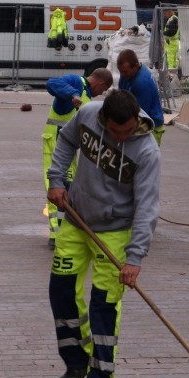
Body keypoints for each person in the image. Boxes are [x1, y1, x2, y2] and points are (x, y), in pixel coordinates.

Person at [46, 90, 161, 378]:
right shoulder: (87, 115)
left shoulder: (148, 152)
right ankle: (75, 362)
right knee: (61, 291)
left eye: (126, 131)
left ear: (136, 120)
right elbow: (67, 140)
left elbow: (147, 207)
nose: (121, 137)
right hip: (76, 218)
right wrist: (57, 179)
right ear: (103, 119)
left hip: (115, 233)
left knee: (103, 306)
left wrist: (134, 258)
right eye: (114, 131)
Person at [42, 68, 113, 248]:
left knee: (70, 188)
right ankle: (56, 235)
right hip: (56, 146)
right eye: (103, 90)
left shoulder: (87, 96)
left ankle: (65, 231)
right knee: (57, 185)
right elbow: (52, 83)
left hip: (69, 149)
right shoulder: (76, 83)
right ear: (101, 83)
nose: (100, 94)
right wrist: (72, 94)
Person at [116, 49, 165, 145]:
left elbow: (140, 114)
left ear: (136, 66)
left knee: (144, 158)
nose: (122, 74)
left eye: (125, 71)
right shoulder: (127, 75)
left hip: (150, 126)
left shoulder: (142, 83)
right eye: (120, 71)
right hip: (138, 121)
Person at [162, 8, 179, 73]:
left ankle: (171, 73)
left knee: (170, 58)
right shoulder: (174, 18)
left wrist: (163, 32)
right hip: (174, 41)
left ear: (169, 12)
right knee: (174, 58)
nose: (164, 15)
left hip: (171, 42)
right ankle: (175, 72)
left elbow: (171, 32)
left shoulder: (173, 19)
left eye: (165, 13)